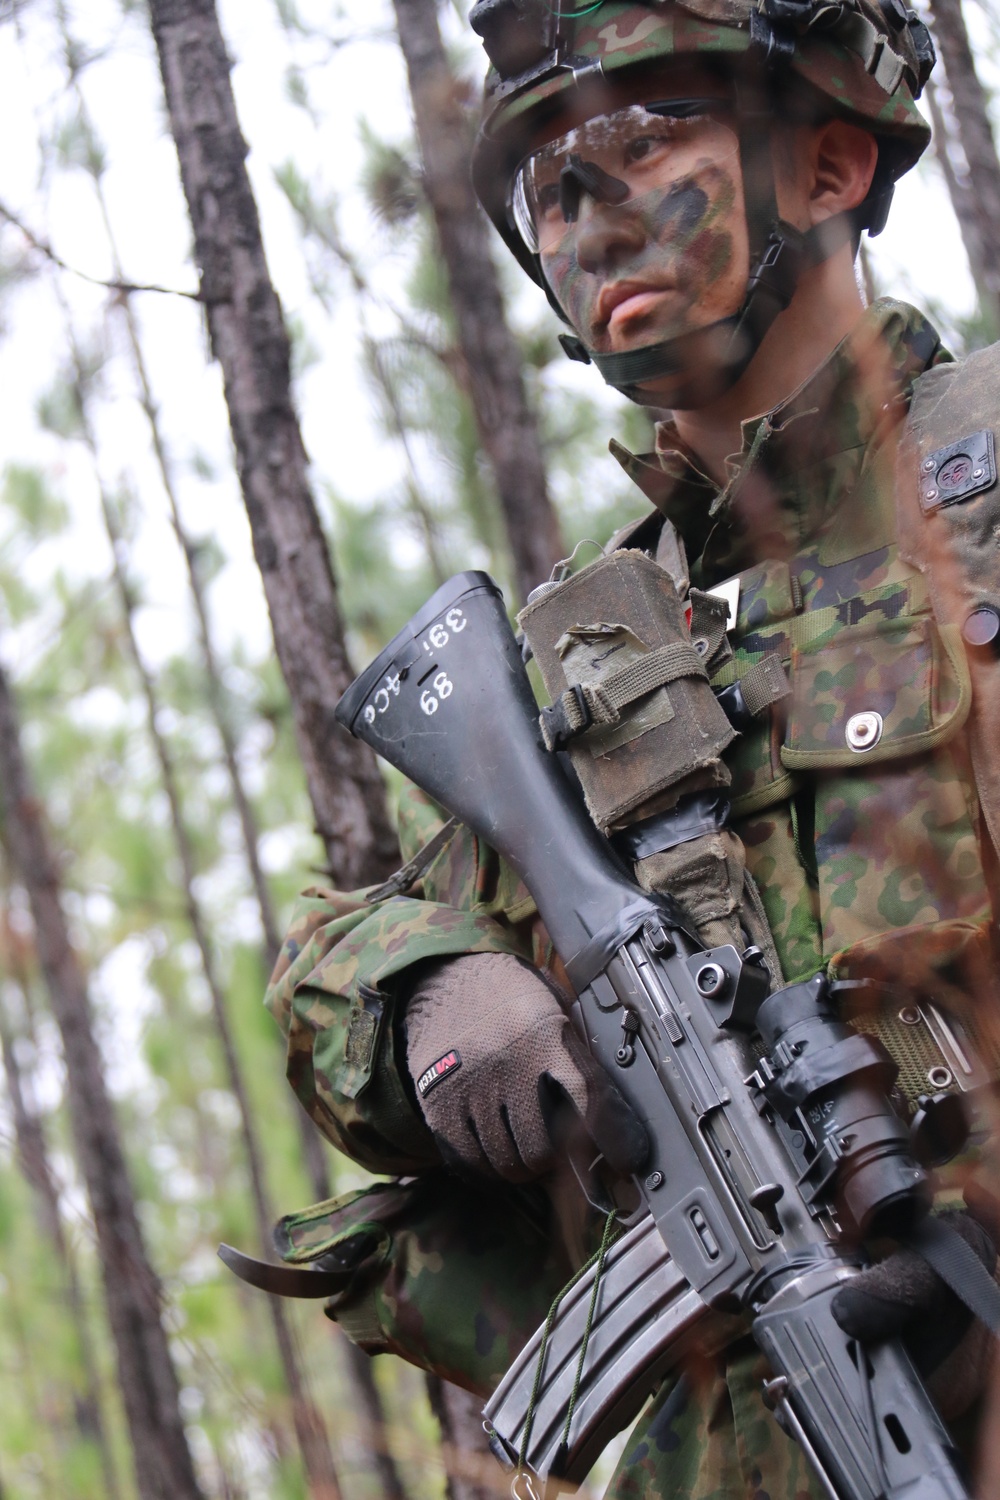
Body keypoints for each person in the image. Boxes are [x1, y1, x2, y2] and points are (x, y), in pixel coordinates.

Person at [264, 2, 1000, 1493]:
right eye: (546, 188)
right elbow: (324, 966)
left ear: (832, 163)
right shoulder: (600, 647)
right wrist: (428, 993)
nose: (586, 218)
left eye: (639, 142)